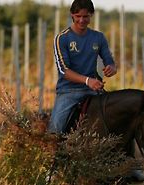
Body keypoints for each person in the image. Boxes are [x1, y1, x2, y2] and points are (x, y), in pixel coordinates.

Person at [49, 0, 117, 134]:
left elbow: (109, 61)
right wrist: (87, 81)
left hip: (95, 90)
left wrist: (112, 68)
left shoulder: (99, 37)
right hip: (68, 91)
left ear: (91, 15)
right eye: (78, 16)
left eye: (85, 16)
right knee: (54, 132)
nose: (81, 20)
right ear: (72, 15)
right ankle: (52, 154)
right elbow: (64, 70)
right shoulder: (62, 38)